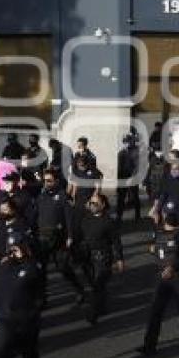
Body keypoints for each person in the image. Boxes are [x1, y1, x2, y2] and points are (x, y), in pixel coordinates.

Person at [137, 213, 179, 356]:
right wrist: (154, 250)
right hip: (162, 276)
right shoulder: (158, 231)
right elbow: (152, 247)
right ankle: (150, 345)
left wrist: (172, 267)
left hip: (178, 276)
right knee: (156, 310)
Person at [75, 194, 124, 325]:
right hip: (88, 256)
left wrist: (119, 259)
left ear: (103, 205)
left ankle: (93, 314)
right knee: (94, 284)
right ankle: (101, 305)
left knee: (97, 284)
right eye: (91, 203)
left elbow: (116, 242)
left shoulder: (109, 221)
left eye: (95, 203)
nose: (92, 205)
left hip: (102, 257)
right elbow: (79, 235)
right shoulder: (86, 219)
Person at [35, 169, 80, 304]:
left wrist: (70, 236)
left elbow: (69, 218)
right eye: (44, 181)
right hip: (43, 237)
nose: (46, 183)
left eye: (49, 181)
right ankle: (42, 298)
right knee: (41, 270)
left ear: (56, 181)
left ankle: (78, 289)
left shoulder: (62, 196)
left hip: (58, 237)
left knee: (63, 267)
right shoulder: (41, 196)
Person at [116, 133, 142, 224]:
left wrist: (132, 178)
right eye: (125, 142)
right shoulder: (121, 152)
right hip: (123, 178)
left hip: (132, 178)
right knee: (121, 198)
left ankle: (137, 216)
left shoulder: (136, 152)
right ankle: (119, 216)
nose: (126, 144)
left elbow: (138, 166)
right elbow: (119, 168)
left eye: (128, 141)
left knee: (135, 197)